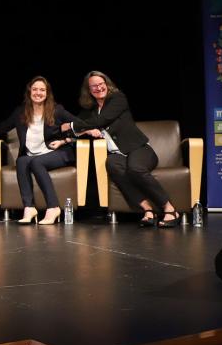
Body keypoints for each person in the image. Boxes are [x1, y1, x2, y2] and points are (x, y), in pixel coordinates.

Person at [63, 71, 179, 228]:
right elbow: (70, 128)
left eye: (101, 84)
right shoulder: (89, 111)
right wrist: (87, 130)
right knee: (111, 164)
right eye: (93, 86)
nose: (98, 88)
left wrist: (75, 126)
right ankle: (147, 210)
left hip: (139, 149)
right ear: (89, 91)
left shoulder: (118, 98)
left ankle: (170, 209)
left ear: (106, 84)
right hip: (117, 155)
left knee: (135, 168)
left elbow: (100, 120)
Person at [0, 76, 78, 225]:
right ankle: (29, 208)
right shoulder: (21, 112)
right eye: (35, 89)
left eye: (42, 90)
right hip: (33, 155)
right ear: (29, 92)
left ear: (47, 93)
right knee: (22, 160)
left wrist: (64, 140)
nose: (38, 93)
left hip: (57, 153)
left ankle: (53, 207)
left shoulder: (57, 110)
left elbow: (78, 125)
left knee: (36, 163)